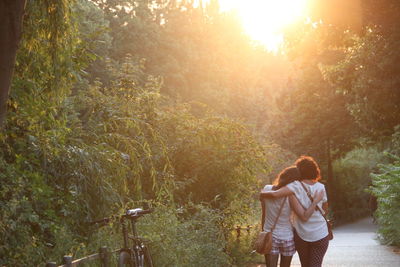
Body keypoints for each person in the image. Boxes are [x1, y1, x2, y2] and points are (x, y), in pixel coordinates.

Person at [260, 156, 330, 267]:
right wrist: (315, 203)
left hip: (292, 235)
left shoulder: (290, 187)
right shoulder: (319, 188)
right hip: (310, 235)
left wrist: (260, 193)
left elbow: (272, 198)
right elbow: (325, 210)